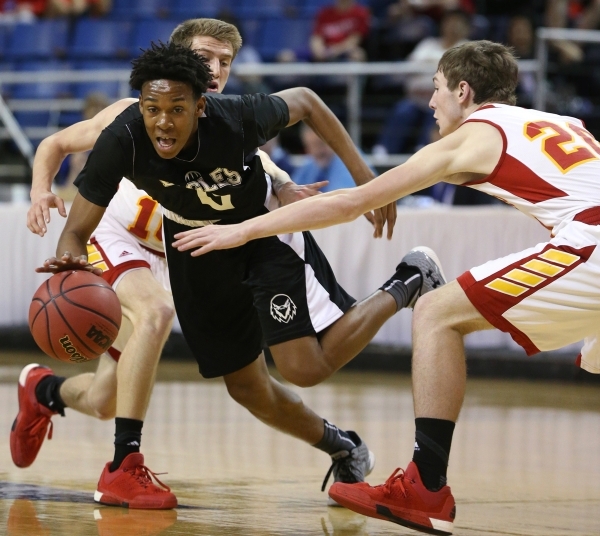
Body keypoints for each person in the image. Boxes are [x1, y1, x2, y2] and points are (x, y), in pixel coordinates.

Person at [171, 40, 600, 534]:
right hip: (581, 234)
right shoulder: (564, 124)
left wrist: (242, 229)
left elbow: (352, 203)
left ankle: (425, 487)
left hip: (589, 240)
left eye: (437, 89)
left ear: (463, 90)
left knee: (437, 312)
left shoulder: (472, 136)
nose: (432, 102)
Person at [28, 40, 447, 516]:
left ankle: (410, 276)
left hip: (260, 235)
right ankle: (343, 447)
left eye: (177, 109)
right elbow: (76, 231)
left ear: (200, 106)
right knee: (246, 388)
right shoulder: (122, 138)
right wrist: (69, 263)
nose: (163, 121)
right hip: (193, 247)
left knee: (303, 368)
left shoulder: (237, 117)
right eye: (153, 109)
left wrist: (367, 180)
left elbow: (308, 100)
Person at [16, 18, 340, 510]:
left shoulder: (230, 131)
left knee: (107, 400)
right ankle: (123, 467)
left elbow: (269, 182)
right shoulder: (132, 114)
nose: (214, 70)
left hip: (168, 253)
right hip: (115, 235)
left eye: (224, 62)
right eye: (203, 58)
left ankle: (43, 391)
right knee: (156, 314)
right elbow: (53, 145)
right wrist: (42, 190)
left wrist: (288, 190)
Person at [372, 9, 471, 156]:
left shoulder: (467, 48)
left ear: (466, 28)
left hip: (445, 102)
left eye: (457, 23)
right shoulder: (428, 44)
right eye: (450, 22)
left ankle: (423, 150)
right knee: (402, 110)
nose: (453, 26)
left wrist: (429, 66)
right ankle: (384, 148)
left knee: (437, 114)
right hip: (416, 99)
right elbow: (410, 67)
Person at [292, 123, 357, 192]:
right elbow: (293, 192)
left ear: (334, 141)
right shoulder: (309, 165)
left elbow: (339, 198)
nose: (317, 151)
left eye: (320, 144)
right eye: (312, 146)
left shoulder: (350, 160)